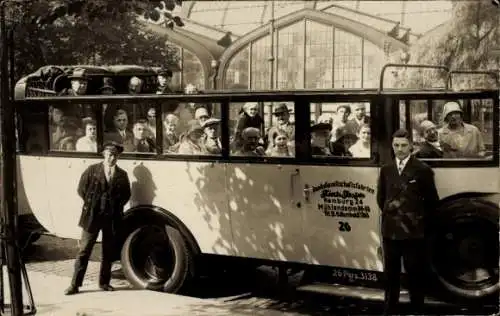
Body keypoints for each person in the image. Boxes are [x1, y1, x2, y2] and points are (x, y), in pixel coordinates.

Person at [376, 129, 439, 315]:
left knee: (415, 275)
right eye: (396, 145)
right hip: (391, 231)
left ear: (411, 146)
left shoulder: (422, 170)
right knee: (391, 275)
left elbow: (432, 202)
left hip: (413, 232)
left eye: (404, 145)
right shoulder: (386, 169)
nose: (400, 149)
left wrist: (418, 221)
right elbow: (381, 198)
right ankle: (390, 310)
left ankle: (417, 310)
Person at [65, 142, 131, 295]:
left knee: (108, 252)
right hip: (92, 217)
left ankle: (104, 283)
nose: (111, 158)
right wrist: (92, 204)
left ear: (118, 157)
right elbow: (81, 189)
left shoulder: (122, 175)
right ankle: (74, 285)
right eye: (109, 155)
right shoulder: (92, 170)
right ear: (104, 155)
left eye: (114, 155)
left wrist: (114, 206)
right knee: (84, 250)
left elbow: (126, 195)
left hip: (111, 218)